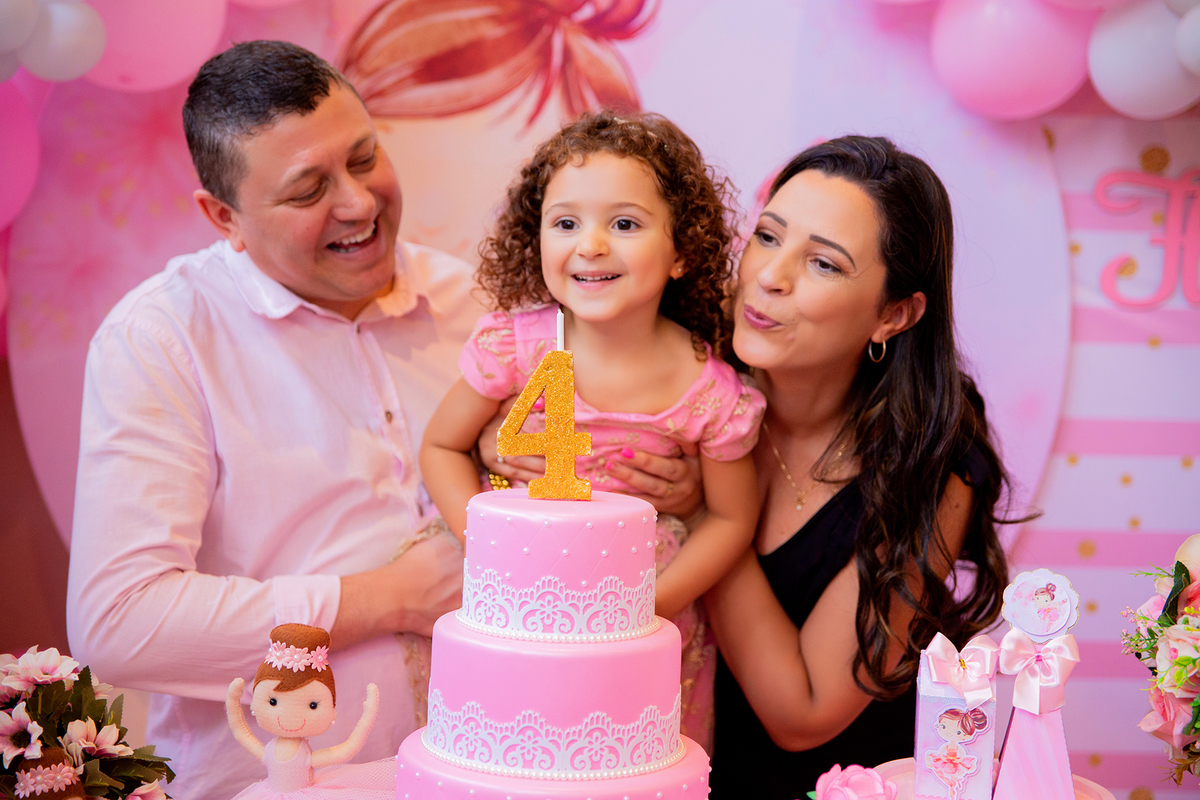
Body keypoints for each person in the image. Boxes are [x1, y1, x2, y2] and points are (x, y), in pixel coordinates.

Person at [65, 41, 482, 800]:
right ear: (223, 216)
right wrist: (388, 596)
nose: (358, 203)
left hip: (481, 766)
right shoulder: (164, 339)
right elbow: (121, 622)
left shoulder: (473, 305)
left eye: (364, 158)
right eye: (307, 190)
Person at [420, 111, 764, 749]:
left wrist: (647, 605)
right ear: (537, 239)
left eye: (625, 224)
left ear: (683, 250)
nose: (592, 244)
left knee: (615, 760)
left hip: (640, 612)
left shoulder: (709, 392)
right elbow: (441, 446)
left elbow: (731, 520)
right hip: (512, 596)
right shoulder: (514, 348)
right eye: (567, 223)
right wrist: (494, 555)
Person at [702, 136, 1012, 798]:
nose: (769, 275)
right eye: (766, 236)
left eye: (822, 263)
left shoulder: (934, 462)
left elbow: (805, 712)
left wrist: (705, 513)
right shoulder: (680, 379)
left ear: (893, 315)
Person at [225, 624, 391, 800]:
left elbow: (346, 751)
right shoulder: (270, 752)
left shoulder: (300, 755)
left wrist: (368, 713)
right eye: (273, 702)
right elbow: (241, 733)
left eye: (313, 705)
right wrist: (233, 701)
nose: (289, 717)